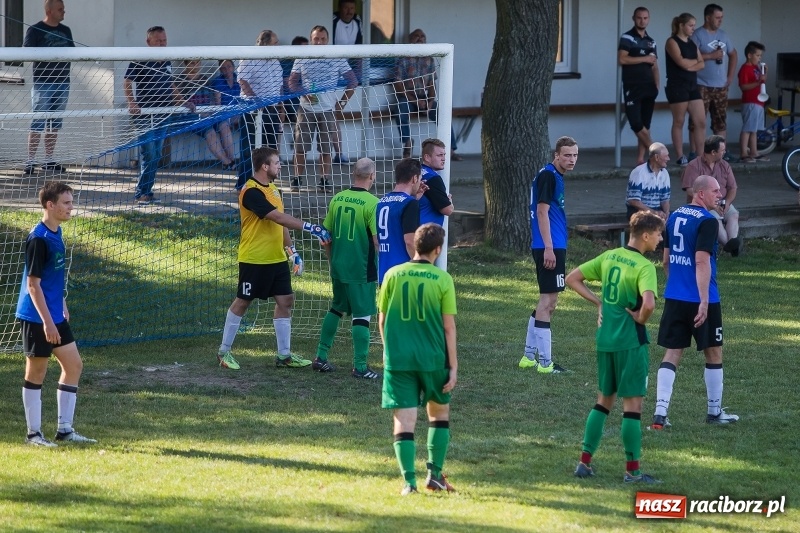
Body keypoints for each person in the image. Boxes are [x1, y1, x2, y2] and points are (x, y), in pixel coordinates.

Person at [567, 211, 665, 484]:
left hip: (605, 340)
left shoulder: (609, 256)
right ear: (645, 235)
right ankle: (633, 472)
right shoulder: (644, 267)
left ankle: (584, 463)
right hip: (630, 343)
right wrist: (640, 319)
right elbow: (649, 304)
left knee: (603, 402)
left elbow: (572, 278)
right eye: (658, 234)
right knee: (632, 407)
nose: (660, 239)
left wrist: (599, 303)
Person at [216, 147, 332, 371]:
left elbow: (281, 224)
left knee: (286, 300)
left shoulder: (275, 190)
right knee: (243, 301)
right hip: (254, 258)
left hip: (276, 259)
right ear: (264, 166)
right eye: (277, 163)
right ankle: (223, 352)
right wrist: (311, 227)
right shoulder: (250, 192)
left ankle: (284, 356)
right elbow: (276, 216)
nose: (280, 166)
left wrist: (292, 252)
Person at [652, 174, 739, 429]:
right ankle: (714, 412)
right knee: (713, 351)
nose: (720, 195)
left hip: (675, 297)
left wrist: (676, 285)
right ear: (700, 193)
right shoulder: (707, 221)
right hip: (703, 298)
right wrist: (703, 300)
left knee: (672, 352)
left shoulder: (674, 216)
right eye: (715, 191)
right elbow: (702, 261)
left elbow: (665, 260)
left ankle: (660, 414)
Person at [378, 223, 458, 495]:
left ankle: (409, 483)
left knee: (404, 419)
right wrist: (453, 366)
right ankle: (434, 475)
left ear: (414, 245)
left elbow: (382, 320)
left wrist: (388, 351)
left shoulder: (392, 274)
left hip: (399, 359)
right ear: (438, 250)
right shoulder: (443, 279)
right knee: (439, 414)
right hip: (433, 358)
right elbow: (448, 327)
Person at [16, 181, 96, 446]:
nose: (71, 207)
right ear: (50, 205)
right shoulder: (38, 239)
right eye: (66, 203)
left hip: (54, 314)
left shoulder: (56, 231)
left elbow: (52, 277)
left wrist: (61, 302)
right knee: (36, 373)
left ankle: (64, 430)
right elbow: (33, 285)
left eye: (72, 202)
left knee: (74, 366)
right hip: (37, 318)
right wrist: (48, 323)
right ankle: (33, 434)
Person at [313, 158, 381, 379]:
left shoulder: (338, 198)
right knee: (362, 314)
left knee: (336, 308)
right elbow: (377, 241)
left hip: (339, 266)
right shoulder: (373, 203)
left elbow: (325, 235)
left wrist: (331, 260)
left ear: (354, 174)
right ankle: (360, 367)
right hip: (361, 269)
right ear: (372, 176)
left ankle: (321, 356)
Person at [519, 136, 578, 374]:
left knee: (548, 302)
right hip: (549, 246)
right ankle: (545, 363)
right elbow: (542, 212)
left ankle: (528, 357)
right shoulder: (548, 175)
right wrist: (549, 247)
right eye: (567, 155)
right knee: (548, 302)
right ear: (557, 155)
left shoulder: (553, 175)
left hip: (552, 244)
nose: (572, 159)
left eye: (575, 155)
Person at [124, 26, 195, 205]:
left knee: (156, 155)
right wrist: (132, 103)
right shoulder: (140, 59)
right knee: (149, 153)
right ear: (148, 42)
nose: (163, 44)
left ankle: (147, 192)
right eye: (158, 41)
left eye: (164, 41)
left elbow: (170, 85)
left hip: (164, 114)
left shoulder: (167, 60)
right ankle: (141, 193)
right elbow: (127, 82)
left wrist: (183, 102)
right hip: (144, 115)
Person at [288, 26, 359, 193]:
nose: (319, 42)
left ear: (328, 40)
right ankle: (297, 179)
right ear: (310, 40)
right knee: (301, 147)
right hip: (306, 109)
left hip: (328, 110)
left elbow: (353, 81)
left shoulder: (336, 56)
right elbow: (292, 82)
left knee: (326, 148)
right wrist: (304, 93)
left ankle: (324, 180)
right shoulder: (302, 56)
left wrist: (341, 103)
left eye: (322, 39)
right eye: (316, 39)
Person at [391, 29, 461, 160]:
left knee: (442, 114)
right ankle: (407, 144)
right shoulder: (403, 59)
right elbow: (398, 85)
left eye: (422, 36)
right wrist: (415, 101)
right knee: (400, 110)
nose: (420, 38)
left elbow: (431, 84)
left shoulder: (429, 59)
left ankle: (451, 150)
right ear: (410, 40)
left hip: (424, 98)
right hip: (407, 97)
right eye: (416, 36)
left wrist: (430, 102)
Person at [23, 0, 74, 175]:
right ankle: (30, 161)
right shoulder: (35, 30)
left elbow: (73, 52)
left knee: (54, 122)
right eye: (60, 9)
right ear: (49, 11)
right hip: (43, 83)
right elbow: (27, 52)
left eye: (63, 9)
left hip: (63, 82)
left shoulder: (66, 31)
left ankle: (48, 160)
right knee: (38, 121)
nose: (63, 12)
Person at [689, 4, 738, 162]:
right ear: (708, 17)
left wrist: (730, 76)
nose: (720, 20)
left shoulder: (723, 35)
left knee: (720, 121)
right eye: (717, 17)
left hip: (720, 86)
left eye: (721, 17)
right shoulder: (697, 35)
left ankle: (722, 153)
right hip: (701, 84)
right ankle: (694, 152)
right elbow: (690, 57)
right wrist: (711, 56)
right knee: (697, 121)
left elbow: (733, 54)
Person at [236, 30, 284, 190]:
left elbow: (279, 86)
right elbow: (243, 81)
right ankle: (244, 185)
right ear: (265, 44)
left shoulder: (276, 62)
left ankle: (268, 185)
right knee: (249, 149)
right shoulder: (249, 58)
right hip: (252, 110)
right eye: (275, 43)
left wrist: (281, 106)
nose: (278, 46)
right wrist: (257, 101)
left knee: (271, 149)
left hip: (272, 110)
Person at [681, 135, 742, 256]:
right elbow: (689, 190)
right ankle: (730, 246)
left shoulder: (725, 165)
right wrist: (710, 203)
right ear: (713, 152)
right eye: (722, 150)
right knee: (714, 218)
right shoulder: (694, 165)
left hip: (722, 202)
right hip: (703, 204)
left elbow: (733, 188)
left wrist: (727, 203)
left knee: (733, 215)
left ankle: (732, 243)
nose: (725, 152)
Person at [618, 7, 660, 166]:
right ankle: (655, 151)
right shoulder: (627, 37)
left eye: (645, 18)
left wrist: (657, 85)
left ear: (649, 19)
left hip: (649, 87)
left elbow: (655, 65)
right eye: (639, 18)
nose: (642, 21)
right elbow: (622, 59)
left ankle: (641, 159)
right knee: (636, 123)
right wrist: (644, 59)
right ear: (633, 18)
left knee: (645, 124)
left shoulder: (651, 41)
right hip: (632, 86)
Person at [665, 13, 705, 167]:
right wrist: (693, 63)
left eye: (694, 25)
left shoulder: (692, 43)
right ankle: (680, 155)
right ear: (681, 25)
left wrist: (690, 65)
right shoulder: (672, 41)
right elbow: (680, 62)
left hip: (692, 85)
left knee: (700, 121)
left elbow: (702, 63)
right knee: (679, 121)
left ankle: (701, 156)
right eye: (690, 25)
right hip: (677, 85)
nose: (693, 28)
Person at [178, 60, 235, 169]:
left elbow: (212, 100)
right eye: (192, 63)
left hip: (208, 114)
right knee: (210, 132)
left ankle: (232, 160)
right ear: (186, 64)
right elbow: (179, 103)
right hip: (191, 116)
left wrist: (211, 111)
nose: (196, 65)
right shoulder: (180, 81)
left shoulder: (204, 79)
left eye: (198, 63)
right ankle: (227, 162)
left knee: (224, 125)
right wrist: (199, 112)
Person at [377, 158, 425, 285]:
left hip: (384, 272)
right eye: (420, 179)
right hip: (403, 274)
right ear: (414, 178)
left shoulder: (381, 202)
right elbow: (410, 242)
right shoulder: (409, 204)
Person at [331, 0, 363, 163]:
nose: (349, 11)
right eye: (346, 8)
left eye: (352, 8)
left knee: (333, 113)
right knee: (328, 114)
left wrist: (358, 74)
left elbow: (360, 51)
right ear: (340, 9)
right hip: (331, 68)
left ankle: (339, 154)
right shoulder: (333, 21)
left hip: (345, 68)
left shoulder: (357, 22)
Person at [738, 41, 768, 163]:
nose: (759, 58)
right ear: (749, 55)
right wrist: (758, 82)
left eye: (761, 56)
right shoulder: (745, 69)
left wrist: (764, 73)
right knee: (747, 128)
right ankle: (744, 153)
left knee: (754, 129)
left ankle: (754, 152)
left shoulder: (756, 68)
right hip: (750, 102)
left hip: (758, 102)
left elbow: (762, 82)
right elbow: (743, 86)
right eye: (757, 55)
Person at [625, 142, 670, 220]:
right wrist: (654, 212)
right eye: (666, 156)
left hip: (656, 211)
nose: (668, 159)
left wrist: (666, 213)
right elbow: (633, 201)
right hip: (638, 212)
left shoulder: (665, 173)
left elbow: (665, 200)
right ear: (656, 157)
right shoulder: (639, 172)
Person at [209, 59, 241, 168]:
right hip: (223, 113)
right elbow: (218, 104)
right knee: (224, 127)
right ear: (220, 70)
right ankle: (231, 161)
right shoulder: (218, 81)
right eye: (223, 67)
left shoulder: (239, 79)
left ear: (233, 67)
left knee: (249, 123)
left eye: (229, 66)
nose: (226, 69)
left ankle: (251, 159)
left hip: (238, 112)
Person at [420, 138, 454, 225]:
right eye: (439, 155)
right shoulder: (432, 178)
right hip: (427, 229)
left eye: (444, 155)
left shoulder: (415, 172)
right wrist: (449, 201)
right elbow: (447, 210)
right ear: (427, 157)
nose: (443, 159)